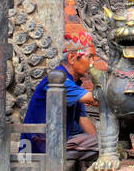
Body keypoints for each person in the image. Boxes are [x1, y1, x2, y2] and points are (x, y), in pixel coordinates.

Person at [22, 28, 100, 162]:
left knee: (105, 143)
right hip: (43, 144)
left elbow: (83, 119)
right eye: (89, 57)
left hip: (61, 140)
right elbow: (95, 99)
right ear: (71, 58)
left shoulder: (74, 83)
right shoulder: (60, 78)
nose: (92, 63)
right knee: (104, 144)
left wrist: (97, 141)